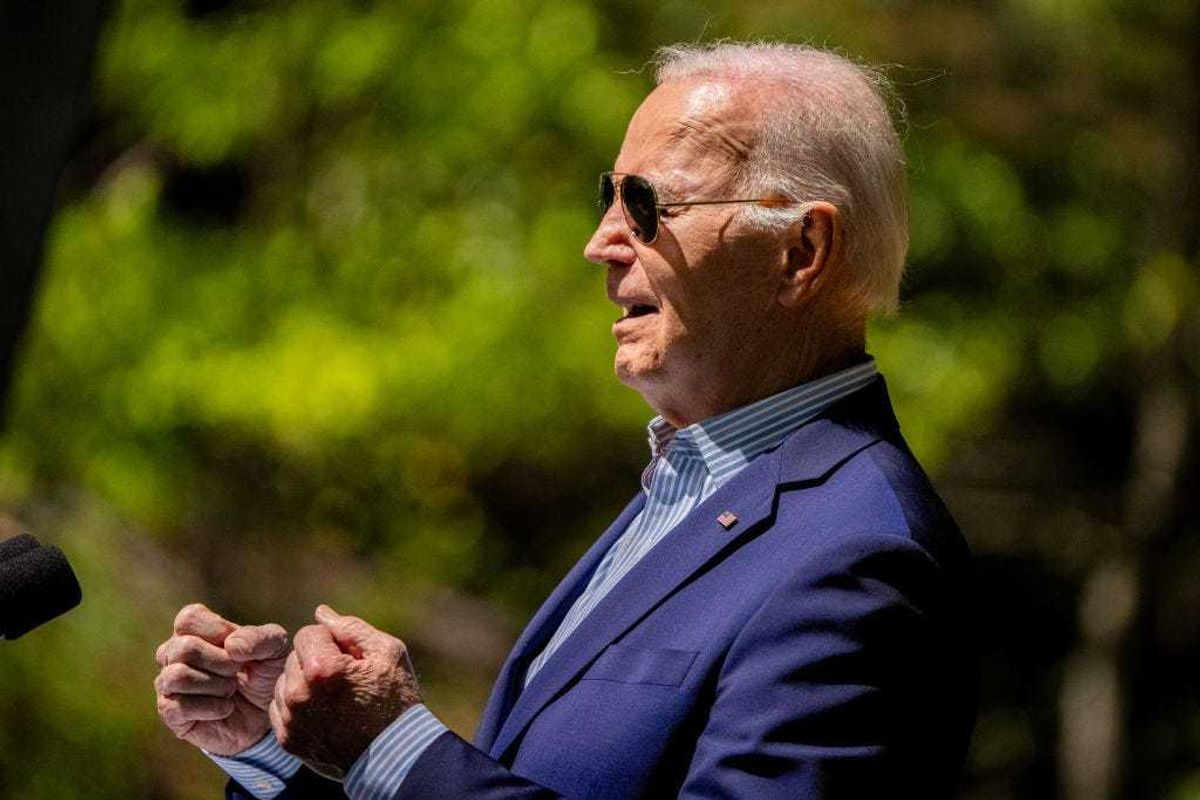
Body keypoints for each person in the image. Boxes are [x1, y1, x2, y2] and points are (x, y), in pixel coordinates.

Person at [153, 41, 976, 799]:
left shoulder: (858, 556)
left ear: (800, 252)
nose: (600, 242)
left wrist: (395, 751)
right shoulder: (702, 486)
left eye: (647, 204)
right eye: (607, 196)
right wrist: (284, 754)